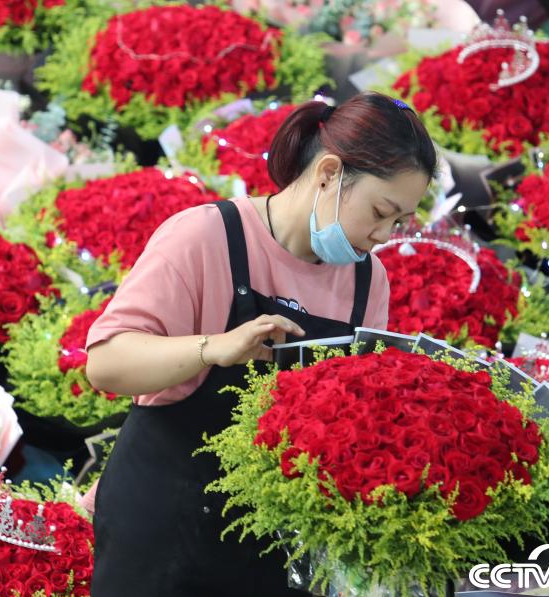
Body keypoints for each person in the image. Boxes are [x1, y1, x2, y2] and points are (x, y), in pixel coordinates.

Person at [82, 92, 437, 596]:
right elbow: (106, 364)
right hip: (160, 518)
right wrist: (214, 349)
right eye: (380, 211)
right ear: (330, 173)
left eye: (399, 221)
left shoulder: (367, 282)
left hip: (271, 543)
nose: (384, 234)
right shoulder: (207, 235)